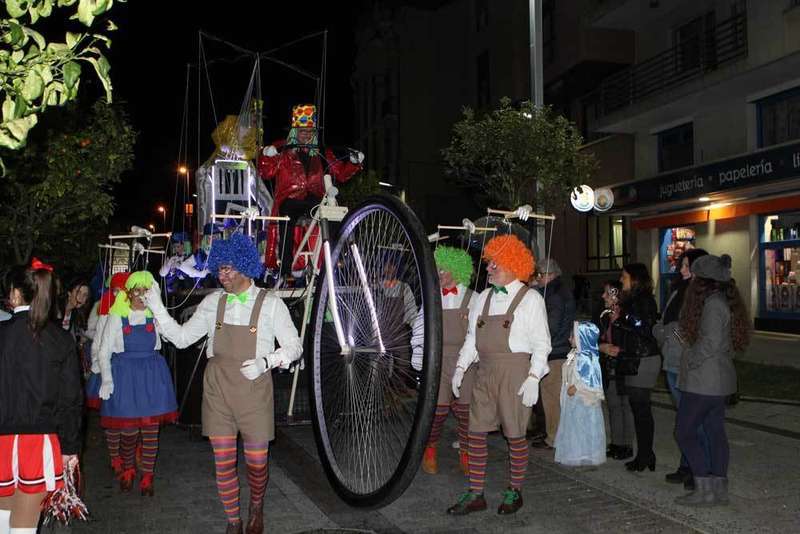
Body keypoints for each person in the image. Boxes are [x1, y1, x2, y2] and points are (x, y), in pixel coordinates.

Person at [145, 232, 302, 534]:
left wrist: (266, 362)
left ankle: (256, 505)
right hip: (217, 388)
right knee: (223, 462)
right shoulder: (213, 302)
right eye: (219, 268)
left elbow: (295, 347)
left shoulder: (270, 304)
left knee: (257, 463)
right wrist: (155, 304)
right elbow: (180, 339)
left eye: (228, 268)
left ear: (244, 266)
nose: (222, 274)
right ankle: (233, 521)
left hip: (255, 390)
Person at [447, 234, 551, 516]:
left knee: (515, 435)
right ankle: (476, 493)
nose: (489, 269)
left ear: (513, 264)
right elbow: (472, 338)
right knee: (475, 432)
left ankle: (514, 490)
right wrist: (460, 367)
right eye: (489, 263)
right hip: (485, 372)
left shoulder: (530, 299)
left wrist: (533, 377)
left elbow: (542, 344)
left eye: (495, 264)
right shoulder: (482, 298)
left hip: (515, 373)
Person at [0, 259, 82, 534]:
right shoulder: (60, 339)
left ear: (14, 293)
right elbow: (70, 400)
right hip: (39, 443)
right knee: (22, 529)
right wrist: (70, 447)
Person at [674, 254, 749, 506]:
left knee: (684, 432)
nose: (691, 278)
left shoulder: (713, 304)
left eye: (695, 275)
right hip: (717, 381)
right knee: (715, 433)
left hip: (704, 382)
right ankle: (718, 490)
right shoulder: (723, 301)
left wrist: (690, 356)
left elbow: (710, 343)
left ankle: (704, 487)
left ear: (704, 279)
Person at [258, 104, 363, 280]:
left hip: (313, 200)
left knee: (333, 213)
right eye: (302, 131)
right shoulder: (283, 151)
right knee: (287, 213)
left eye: (309, 131)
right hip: (289, 200)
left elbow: (340, 174)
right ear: (294, 131)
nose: (305, 135)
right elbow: (266, 172)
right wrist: (266, 155)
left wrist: (353, 162)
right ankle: (285, 268)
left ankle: (339, 262)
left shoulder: (321, 153)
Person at [97, 271, 178, 496]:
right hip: (125, 375)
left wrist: (160, 308)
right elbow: (104, 351)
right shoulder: (116, 316)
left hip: (152, 374)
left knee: (151, 430)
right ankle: (128, 469)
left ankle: (148, 476)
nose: (141, 295)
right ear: (129, 293)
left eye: (146, 291)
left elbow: (173, 335)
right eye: (137, 290)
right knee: (128, 430)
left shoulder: (155, 315)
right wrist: (107, 379)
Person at [654, 248, 708, 489]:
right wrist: (665, 332)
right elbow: (665, 320)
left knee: (693, 421)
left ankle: (700, 470)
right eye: (682, 265)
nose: (682, 270)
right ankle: (687, 465)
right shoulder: (678, 290)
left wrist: (668, 332)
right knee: (684, 420)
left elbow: (687, 331)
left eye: (687, 266)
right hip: (673, 361)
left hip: (687, 364)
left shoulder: (702, 295)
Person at [421, 246, 476, 476]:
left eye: (442, 269)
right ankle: (430, 446)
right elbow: (419, 329)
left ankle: (466, 450)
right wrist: (418, 357)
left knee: (465, 412)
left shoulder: (474, 297)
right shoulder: (431, 297)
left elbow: (478, 334)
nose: (439, 274)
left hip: (467, 361)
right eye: (438, 269)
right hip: (438, 360)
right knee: (439, 409)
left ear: (456, 270)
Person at [604, 263, 660, 472]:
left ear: (635, 279)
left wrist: (622, 318)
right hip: (633, 358)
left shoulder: (644, 299)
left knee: (641, 410)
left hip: (643, 359)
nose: (622, 280)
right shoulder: (633, 299)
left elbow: (645, 327)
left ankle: (645, 455)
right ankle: (646, 454)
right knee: (639, 410)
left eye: (624, 276)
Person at [84, 271, 129, 476]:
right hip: (107, 368)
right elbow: (98, 342)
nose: (119, 293)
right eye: (116, 290)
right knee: (111, 418)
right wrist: (99, 368)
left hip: (128, 370)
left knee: (130, 417)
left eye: (123, 290)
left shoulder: (134, 310)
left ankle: (129, 454)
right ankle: (115, 458)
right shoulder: (104, 310)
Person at [531, 258, 575, 450]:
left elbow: (551, 326)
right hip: (557, 349)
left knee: (551, 398)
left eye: (539, 275)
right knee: (551, 396)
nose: (537, 279)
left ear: (550, 275)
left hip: (554, 351)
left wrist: (536, 341)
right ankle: (552, 433)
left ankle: (553, 437)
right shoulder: (557, 290)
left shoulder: (554, 295)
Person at [554, 321, 605, 467]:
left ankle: (585, 454)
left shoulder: (587, 358)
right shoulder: (574, 354)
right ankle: (574, 452)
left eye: (573, 336)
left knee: (582, 426)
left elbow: (590, 378)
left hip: (582, 399)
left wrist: (576, 387)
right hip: (572, 400)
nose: (570, 339)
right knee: (574, 427)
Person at [596, 280, 634, 461]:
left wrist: (619, 323)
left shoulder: (627, 314)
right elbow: (594, 336)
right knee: (613, 405)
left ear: (615, 294)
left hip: (624, 365)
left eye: (606, 293)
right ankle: (617, 443)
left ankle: (627, 444)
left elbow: (635, 338)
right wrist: (601, 346)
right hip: (609, 365)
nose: (603, 296)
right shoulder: (603, 315)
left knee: (625, 405)